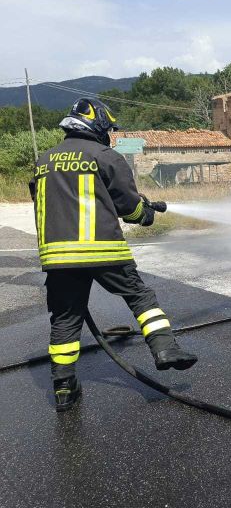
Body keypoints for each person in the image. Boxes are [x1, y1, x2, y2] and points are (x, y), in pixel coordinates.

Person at [30, 98, 197, 412]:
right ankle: (165, 350)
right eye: (106, 128)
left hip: (58, 257)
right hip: (103, 249)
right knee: (140, 296)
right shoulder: (105, 156)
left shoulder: (44, 160)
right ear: (96, 126)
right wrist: (146, 213)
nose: (107, 135)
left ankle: (64, 387)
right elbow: (130, 209)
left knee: (65, 319)